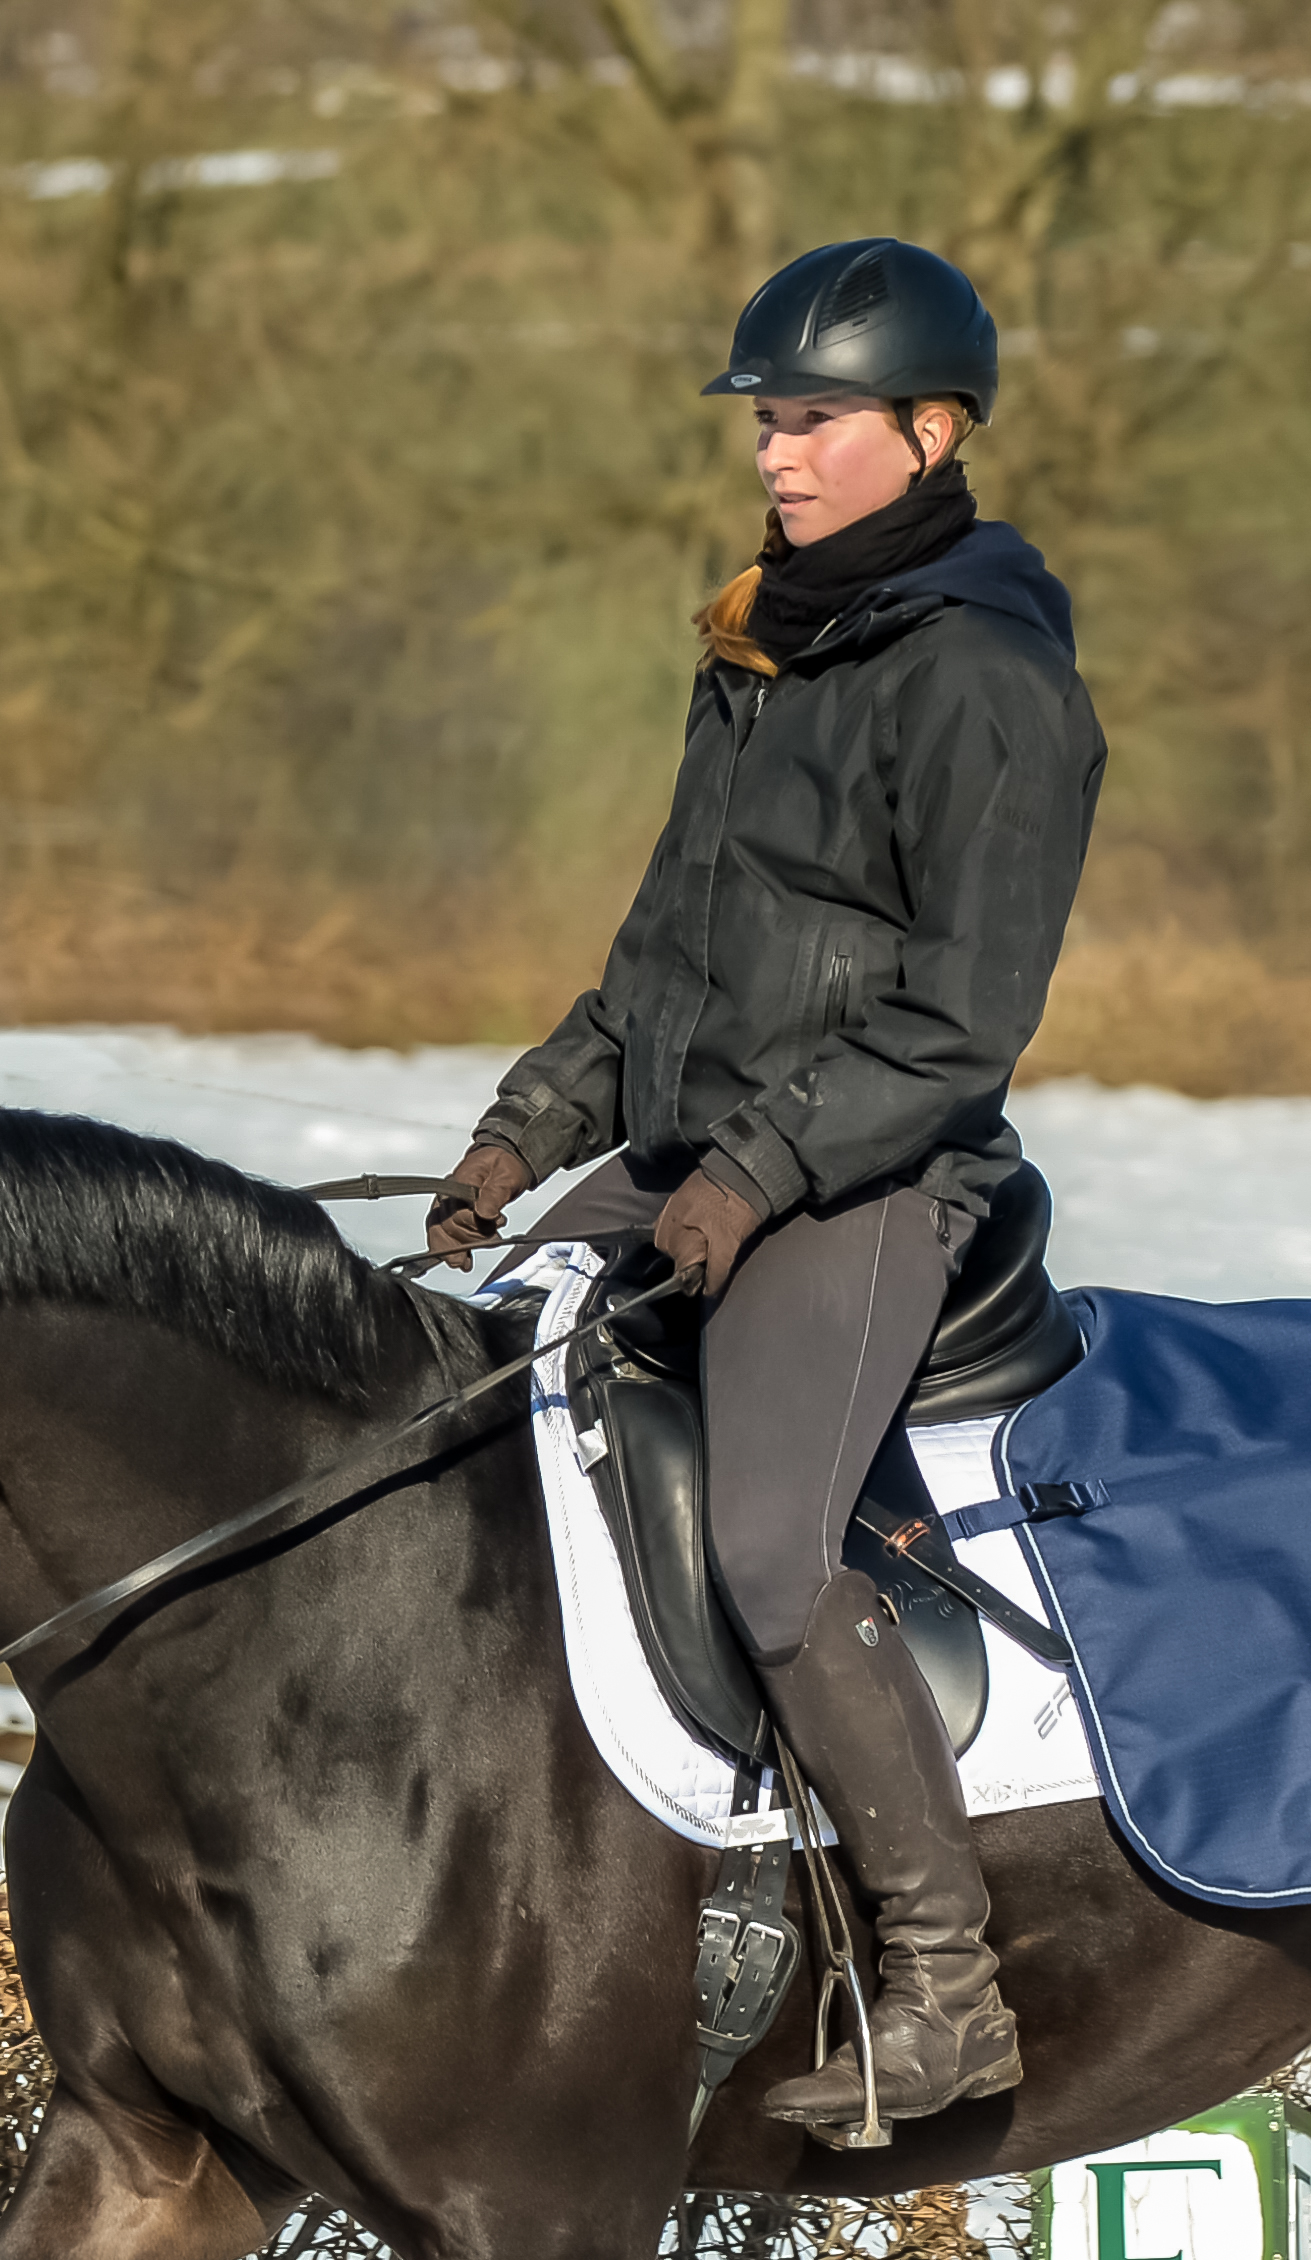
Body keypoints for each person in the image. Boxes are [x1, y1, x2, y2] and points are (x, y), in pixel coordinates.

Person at [428, 236, 1105, 2142]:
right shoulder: (754, 648)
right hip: (689, 1167)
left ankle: (943, 1982)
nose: (775, 456)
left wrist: (759, 1170)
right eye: (768, 423)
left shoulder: (989, 685)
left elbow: (960, 1024)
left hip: (881, 1182)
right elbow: (660, 964)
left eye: (811, 422)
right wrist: (527, 1128)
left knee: (771, 1552)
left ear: (930, 428)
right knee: (449, 1415)